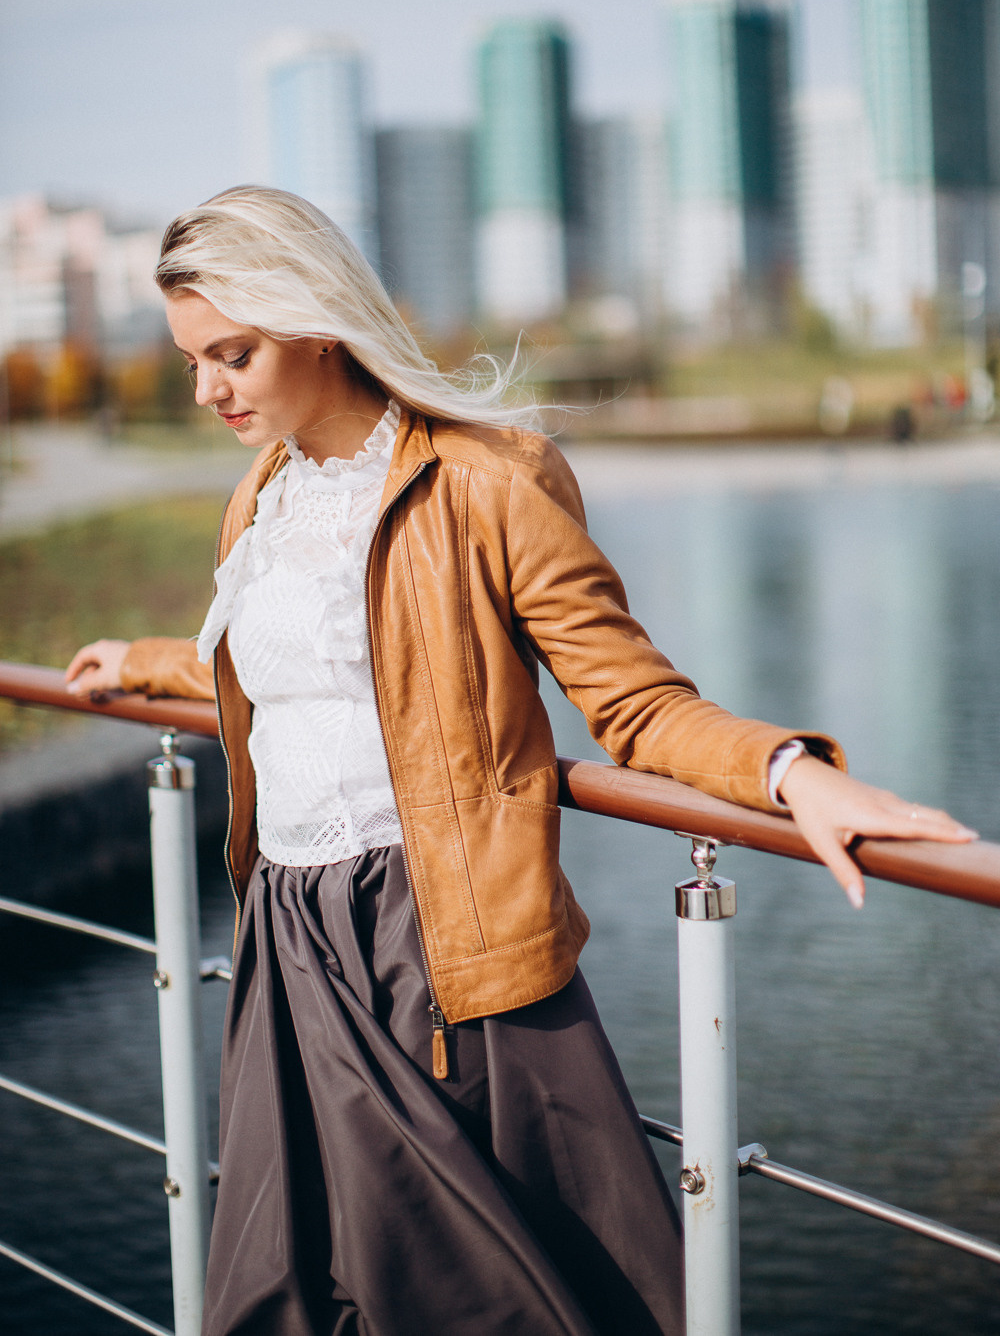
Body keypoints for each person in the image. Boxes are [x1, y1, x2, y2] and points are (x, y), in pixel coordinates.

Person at [66, 186, 976, 1336]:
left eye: (230, 355)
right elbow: (291, 677)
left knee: (464, 1301)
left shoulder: (492, 481)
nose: (206, 390)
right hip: (283, 935)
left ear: (313, 321)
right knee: (290, 1293)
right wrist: (147, 661)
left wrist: (795, 773)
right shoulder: (261, 498)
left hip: (432, 941)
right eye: (195, 360)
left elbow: (634, 703)